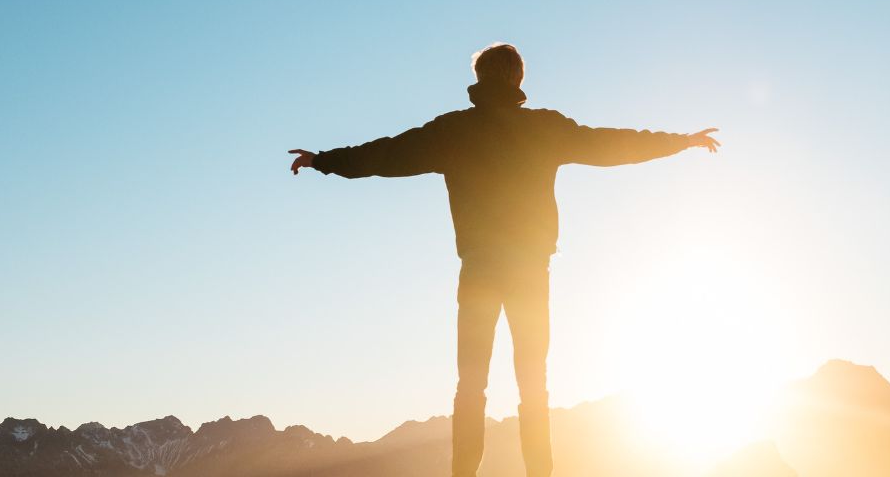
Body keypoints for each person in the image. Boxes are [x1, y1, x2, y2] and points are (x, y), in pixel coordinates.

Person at [288, 43, 718, 477]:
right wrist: (680, 142)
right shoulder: (545, 128)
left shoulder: (453, 131)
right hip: (531, 271)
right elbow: (611, 144)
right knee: (534, 385)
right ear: (519, 80)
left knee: (470, 386)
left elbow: (385, 154)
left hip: (479, 269)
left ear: (478, 79)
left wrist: (323, 161)